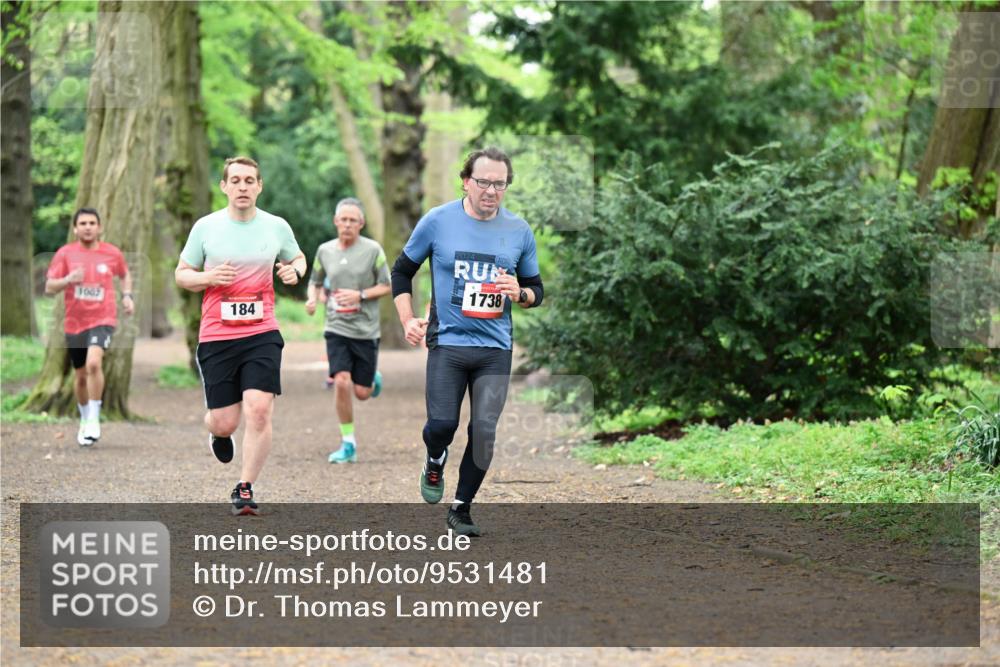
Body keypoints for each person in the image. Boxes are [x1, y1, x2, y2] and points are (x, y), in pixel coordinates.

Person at [391, 147, 544, 536]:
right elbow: (401, 271)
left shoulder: (519, 231)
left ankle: (461, 508)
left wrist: (520, 293)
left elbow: (535, 289)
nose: (491, 190)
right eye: (483, 182)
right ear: (466, 181)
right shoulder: (437, 221)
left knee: (484, 431)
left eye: (499, 183)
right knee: (441, 425)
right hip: (448, 342)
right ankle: (435, 457)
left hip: (495, 349)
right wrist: (408, 319)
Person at [175, 156, 306, 516]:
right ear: (224, 186)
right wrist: (208, 278)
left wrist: (294, 271)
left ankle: (245, 487)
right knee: (225, 420)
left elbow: (298, 259)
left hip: (262, 332)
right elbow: (182, 274)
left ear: (260, 186)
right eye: (236, 180)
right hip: (217, 335)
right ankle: (217, 433)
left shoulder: (276, 226)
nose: (243, 186)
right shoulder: (206, 227)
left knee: (259, 410)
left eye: (250, 180)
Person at [305, 197, 391, 463]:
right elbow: (315, 281)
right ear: (335, 222)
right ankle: (348, 443)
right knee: (341, 380)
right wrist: (312, 298)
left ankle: (370, 378)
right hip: (336, 327)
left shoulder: (374, 250)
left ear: (361, 224)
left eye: (353, 220)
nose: (347, 225)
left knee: (362, 393)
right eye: (343, 219)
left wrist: (360, 295)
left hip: (365, 330)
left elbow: (386, 286)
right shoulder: (324, 251)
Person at [45, 208, 134, 447]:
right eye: (82, 223)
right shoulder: (65, 253)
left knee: (94, 363)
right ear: (75, 228)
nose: (87, 227)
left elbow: (125, 275)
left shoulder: (112, 253)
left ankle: (94, 418)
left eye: (92, 223)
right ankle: (84, 419)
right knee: (81, 375)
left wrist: (127, 296)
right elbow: (49, 286)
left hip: (103, 318)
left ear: (99, 227)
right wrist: (67, 280)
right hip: (75, 322)